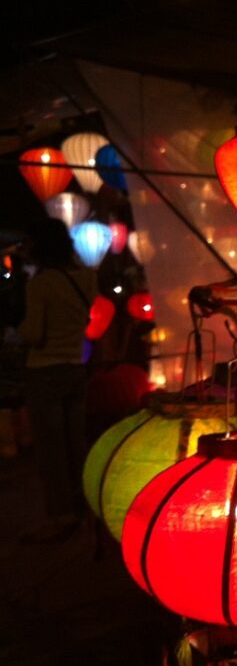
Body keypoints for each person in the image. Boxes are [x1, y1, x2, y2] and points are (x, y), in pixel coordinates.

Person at [17, 217, 98, 542]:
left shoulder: (40, 284)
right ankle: (83, 508)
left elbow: (35, 334)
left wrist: (15, 330)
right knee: (75, 443)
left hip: (44, 372)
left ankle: (60, 516)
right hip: (75, 367)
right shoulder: (87, 278)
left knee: (52, 450)